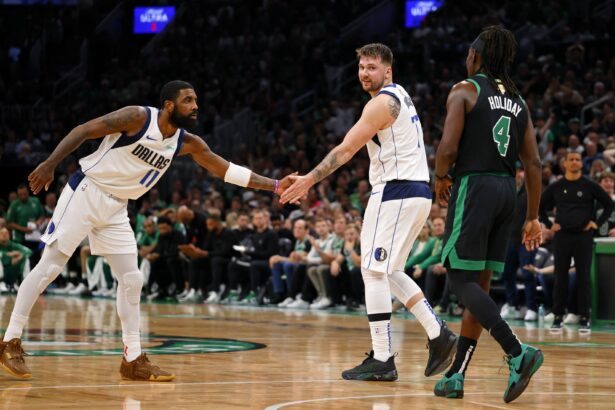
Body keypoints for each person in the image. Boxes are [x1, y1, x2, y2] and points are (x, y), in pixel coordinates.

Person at [0, 80, 294, 381]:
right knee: (50, 267)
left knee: (132, 278)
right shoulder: (138, 117)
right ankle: (10, 340)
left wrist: (274, 185)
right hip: (87, 192)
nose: (195, 106)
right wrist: (50, 163)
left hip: (117, 207)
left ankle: (133, 358)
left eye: (196, 100)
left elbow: (226, 170)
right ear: (169, 105)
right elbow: (84, 130)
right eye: (188, 100)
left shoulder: (187, 142)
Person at [281, 43, 457, 381]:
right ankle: (438, 334)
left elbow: (346, 149)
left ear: (388, 71)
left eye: (372, 67)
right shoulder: (401, 95)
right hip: (415, 191)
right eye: (361, 67)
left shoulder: (381, 104)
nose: (364, 73)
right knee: (389, 271)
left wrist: (309, 180)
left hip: (396, 191)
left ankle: (383, 357)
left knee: (373, 272)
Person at [433, 26, 544, 403]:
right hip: (507, 192)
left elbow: (448, 148)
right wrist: (532, 217)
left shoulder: (465, 89)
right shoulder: (518, 100)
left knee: (459, 281)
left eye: (469, 52)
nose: (467, 58)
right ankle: (455, 376)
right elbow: (534, 163)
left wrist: (440, 176)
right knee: (478, 289)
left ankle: (517, 351)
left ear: (476, 56)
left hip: (475, 187)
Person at [539, 151, 614, 331]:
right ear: (564, 164)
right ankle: (558, 316)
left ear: (581, 163)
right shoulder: (557, 186)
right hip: (562, 236)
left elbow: (609, 205)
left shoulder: (589, 185)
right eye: (571, 160)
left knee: (583, 277)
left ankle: (584, 317)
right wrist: (549, 224)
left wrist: (596, 223)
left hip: (583, 236)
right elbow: (540, 206)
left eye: (577, 160)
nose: (574, 162)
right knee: (560, 277)